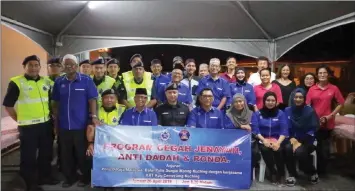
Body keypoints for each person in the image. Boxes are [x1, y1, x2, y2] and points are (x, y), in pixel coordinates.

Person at [3, 55, 59, 191]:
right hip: (28, 127)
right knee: (28, 157)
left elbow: (51, 103)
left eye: (36, 65)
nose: (33, 68)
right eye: (30, 65)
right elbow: (8, 105)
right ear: (24, 67)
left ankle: (44, 177)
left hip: (45, 124)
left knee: (46, 153)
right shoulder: (17, 82)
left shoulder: (46, 82)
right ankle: (30, 183)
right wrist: (19, 119)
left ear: (40, 67)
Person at [51, 54, 99, 188]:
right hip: (64, 125)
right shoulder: (59, 82)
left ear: (77, 66)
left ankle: (85, 177)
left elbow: (92, 100)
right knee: (66, 154)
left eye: (72, 64)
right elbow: (56, 102)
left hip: (81, 125)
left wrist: (93, 117)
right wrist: (56, 122)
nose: (69, 67)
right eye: (66, 64)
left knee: (82, 153)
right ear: (62, 66)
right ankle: (70, 177)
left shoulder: (86, 80)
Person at [306, 65, 345, 176]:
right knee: (314, 147)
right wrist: (312, 118)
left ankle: (322, 171)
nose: (322, 75)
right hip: (314, 123)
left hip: (327, 123)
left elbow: (341, 103)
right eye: (320, 73)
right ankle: (313, 170)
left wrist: (330, 116)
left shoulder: (333, 88)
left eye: (324, 73)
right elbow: (307, 105)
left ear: (328, 74)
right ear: (317, 75)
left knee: (325, 150)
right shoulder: (312, 89)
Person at [86, 89, 126, 191]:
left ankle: (114, 181)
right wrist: (90, 144)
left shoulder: (123, 110)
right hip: (100, 143)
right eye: (106, 98)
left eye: (112, 98)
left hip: (117, 144)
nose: (109, 100)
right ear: (102, 99)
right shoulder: (96, 111)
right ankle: (100, 181)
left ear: (116, 99)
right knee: (90, 155)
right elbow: (90, 127)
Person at [251, 92, 288, 185]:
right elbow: (255, 130)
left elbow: (284, 130)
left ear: (276, 102)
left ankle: (281, 173)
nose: (270, 102)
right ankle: (273, 172)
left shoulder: (281, 113)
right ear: (264, 101)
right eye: (268, 100)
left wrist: (278, 142)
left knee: (278, 150)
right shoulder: (257, 113)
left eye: (273, 100)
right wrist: (264, 140)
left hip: (278, 139)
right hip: (263, 138)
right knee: (265, 149)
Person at [284, 88, 319, 186]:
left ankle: (312, 172)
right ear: (293, 98)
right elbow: (284, 127)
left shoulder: (310, 111)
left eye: (300, 97)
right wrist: (291, 138)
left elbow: (313, 129)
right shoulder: (287, 110)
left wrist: (300, 141)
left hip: (307, 139)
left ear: (304, 99)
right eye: (296, 97)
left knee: (300, 152)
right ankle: (292, 174)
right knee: (287, 149)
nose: (298, 99)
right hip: (291, 138)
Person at [224, 93, 261, 180]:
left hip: (249, 141)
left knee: (253, 152)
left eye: (240, 101)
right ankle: (231, 174)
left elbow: (255, 129)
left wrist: (250, 129)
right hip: (232, 141)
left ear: (244, 102)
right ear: (233, 103)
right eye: (236, 102)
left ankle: (247, 175)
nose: (238, 104)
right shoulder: (228, 114)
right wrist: (241, 126)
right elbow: (226, 127)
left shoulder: (251, 114)